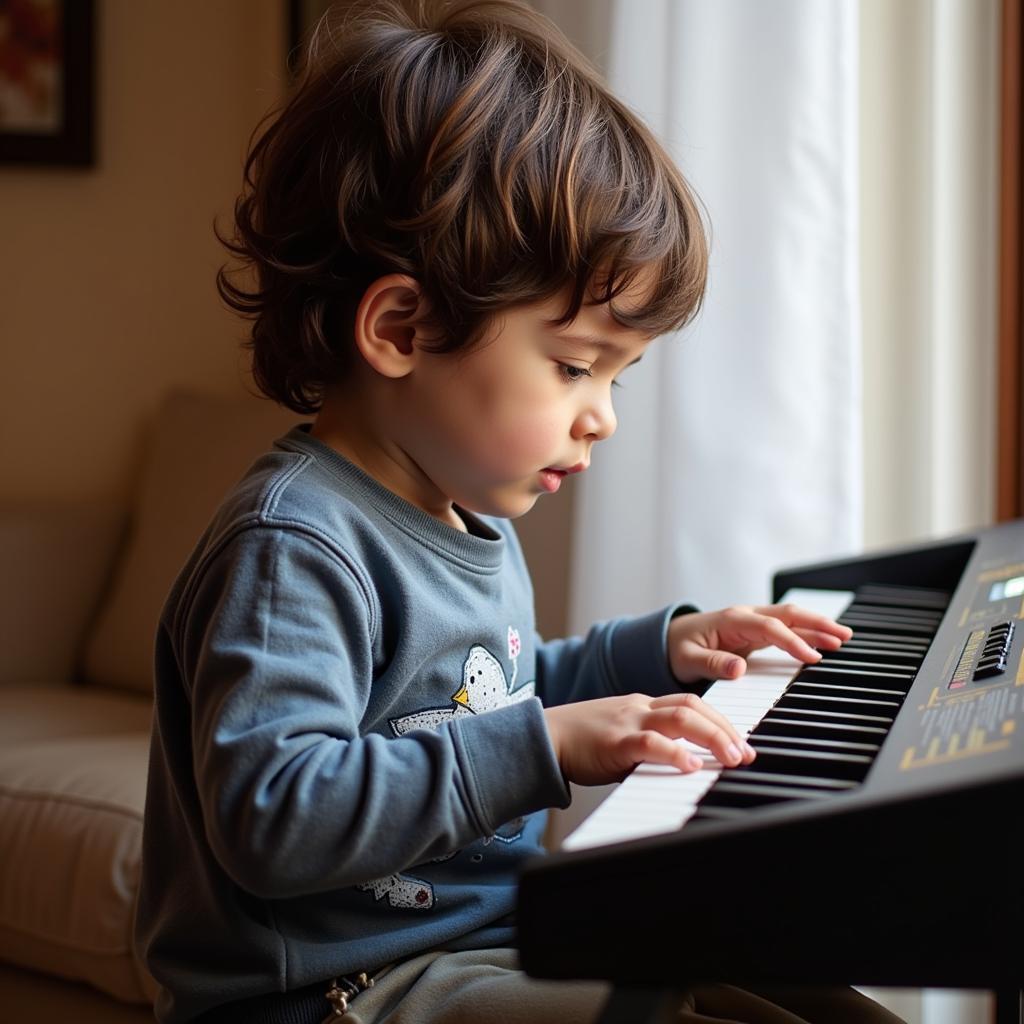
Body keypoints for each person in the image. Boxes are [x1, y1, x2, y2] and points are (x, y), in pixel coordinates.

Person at [134, 2, 903, 1022]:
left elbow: (496, 693)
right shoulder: (293, 547)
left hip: (481, 942)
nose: (602, 419)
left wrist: (660, 652)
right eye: (577, 366)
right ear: (402, 326)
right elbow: (273, 816)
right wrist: (545, 745)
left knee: (814, 993)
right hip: (335, 989)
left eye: (617, 381)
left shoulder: (465, 521)